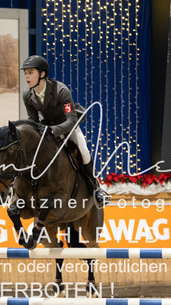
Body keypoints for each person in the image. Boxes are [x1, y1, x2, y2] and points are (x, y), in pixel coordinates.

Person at [20, 55, 109, 208]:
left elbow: (72, 119)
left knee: (83, 151)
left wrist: (52, 130)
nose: (27, 76)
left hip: (67, 125)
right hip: (46, 126)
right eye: (25, 73)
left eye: (31, 72)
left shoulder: (61, 90)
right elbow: (32, 119)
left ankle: (96, 190)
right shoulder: (27, 94)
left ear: (42, 74)